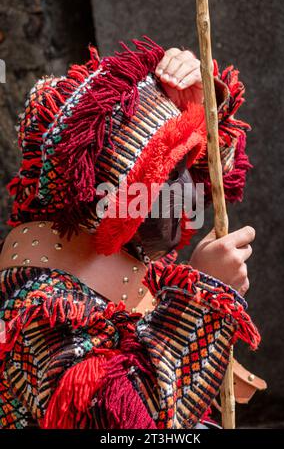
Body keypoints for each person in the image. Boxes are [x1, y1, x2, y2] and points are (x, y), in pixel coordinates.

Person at [0, 36, 259, 429]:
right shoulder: (40, 306)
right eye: (165, 175)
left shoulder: (132, 250)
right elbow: (122, 424)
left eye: (185, 164)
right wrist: (203, 298)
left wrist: (200, 94)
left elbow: (223, 169)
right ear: (107, 197)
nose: (189, 191)